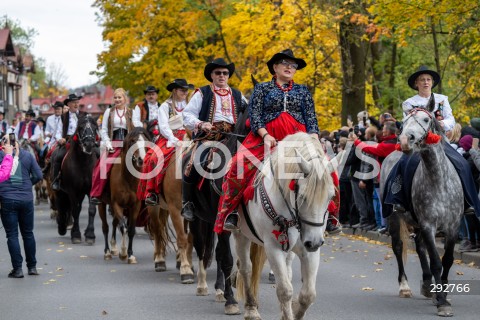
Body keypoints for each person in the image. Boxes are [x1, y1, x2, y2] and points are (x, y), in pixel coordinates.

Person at [214, 49, 321, 232]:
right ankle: (231, 212)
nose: (290, 67)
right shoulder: (262, 88)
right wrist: (265, 135)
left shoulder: (303, 91)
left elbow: (311, 119)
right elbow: (255, 116)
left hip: (299, 141)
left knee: (325, 169)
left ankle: (332, 215)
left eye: (293, 65)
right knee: (237, 166)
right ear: (275, 67)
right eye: (285, 63)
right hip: (266, 137)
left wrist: (314, 138)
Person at [384, 66, 480, 218]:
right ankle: (398, 200)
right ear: (416, 83)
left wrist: (443, 124)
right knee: (402, 164)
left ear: (432, 82)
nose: (426, 82)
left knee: (462, 164)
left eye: (428, 79)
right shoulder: (409, 103)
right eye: (422, 80)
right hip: (419, 144)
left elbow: (450, 119)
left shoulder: (442, 99)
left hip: (440, 141)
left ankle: (468, 202)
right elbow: (407, 123)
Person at [182, 58, 247, 222]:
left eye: (225, 73)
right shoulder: (202, 93)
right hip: (209, 138)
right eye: (218, 73)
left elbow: (249, 113)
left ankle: (243, 206)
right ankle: (188, 202)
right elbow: (187, 115)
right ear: (211, 75)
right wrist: (201, 123)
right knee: (195, 163)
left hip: (233, 138)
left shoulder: (238, 95)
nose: (222, 76)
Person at [141, 79, 194, 206]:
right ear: (175, 90)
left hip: (189, 136)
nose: (185, 92)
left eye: (186, 90)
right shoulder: (165, 106)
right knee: (153, 158)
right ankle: (152, 192)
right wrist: (174, 139)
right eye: (182, 90)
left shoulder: (190, 105)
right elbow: (164, 127)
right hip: (169, 138)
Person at [0, 134, 42, 278]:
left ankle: (17, 269)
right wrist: (26, 185)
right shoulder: (28, 155)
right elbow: (39, 175)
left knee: (12, 235)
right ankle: (32, 267)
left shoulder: (2, 156)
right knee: (28, 234)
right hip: (26, 199)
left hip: (7, 199)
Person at [90, 88, 137, 204]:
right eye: (115, 97)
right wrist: (108, 143)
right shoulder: (108, 112)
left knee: (142, 165)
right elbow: (104, 130)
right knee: (102, 166)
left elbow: (135, 128)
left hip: (128, 144)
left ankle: (144, 195)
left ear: (124, 99)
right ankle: (98, 194)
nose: (117, 99)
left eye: (119, 97)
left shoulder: (132, 112)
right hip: (113, 143)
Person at [50, 94, 85, 190]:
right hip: (68, 141)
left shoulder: (84, 115)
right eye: (74, 103)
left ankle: (95, 179)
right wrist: (60, 139)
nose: (76, 104)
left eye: (77, 102)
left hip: (83, 142)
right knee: (58, 155)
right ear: (68, 104)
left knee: (97, 153)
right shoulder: (63, 117)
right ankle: (56, 180)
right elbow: (57, 132)